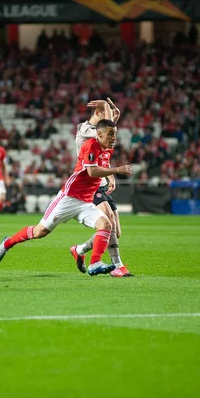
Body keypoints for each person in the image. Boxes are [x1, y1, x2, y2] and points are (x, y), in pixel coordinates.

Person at [0, 119, 133, 276]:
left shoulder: (107, 149)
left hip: (86, 201)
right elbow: (92, 172)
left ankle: (95, 263)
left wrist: (111, 176)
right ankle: (7, 243)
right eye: (110, 134)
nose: (114, 138)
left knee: (106, 224)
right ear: (99, 134)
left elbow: (103, 165)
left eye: (115, 134)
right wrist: (117, 170)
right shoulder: (90, 145)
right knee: (40, 232)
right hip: (69, 198)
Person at [69, 98, 133, 277]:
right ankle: (118, 266)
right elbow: (103, 132)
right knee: (109, 221)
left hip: (102, 183)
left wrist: (110, 175)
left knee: (116, 231)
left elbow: (106, 138)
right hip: (90, 185)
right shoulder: (83, 129)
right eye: (105, 114)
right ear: (97, 114)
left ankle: (80, 249)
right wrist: (106, 105)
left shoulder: (103, 133)